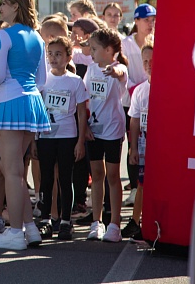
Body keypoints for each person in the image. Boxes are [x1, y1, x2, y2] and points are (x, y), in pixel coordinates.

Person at [0, 0, 50, 251]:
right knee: (17, 171)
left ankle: (14, 233)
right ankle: (30, 229)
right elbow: (42, 80)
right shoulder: (38, 38)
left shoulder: (5, 34)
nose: (0, 8)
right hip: (33, 102)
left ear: (14, 6)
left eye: (3, 3)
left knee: (11, 170)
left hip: (11, 101)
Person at [36, 36, 89, 241]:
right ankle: (46, 220)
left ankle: (66, 221)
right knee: (46, 179)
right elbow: (37, 110)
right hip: (46, 136)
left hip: (67, 136)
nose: (53, 58)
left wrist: (80, 141)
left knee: (66, 179)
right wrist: (34, 139)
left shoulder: (75, 81)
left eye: (58, 54)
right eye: (50, 54)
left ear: (68, 57)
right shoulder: (43, 80)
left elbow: (82, 113)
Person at [84, 27, 129, 243]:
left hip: (112, 129)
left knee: (112, 175)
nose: (91, 52)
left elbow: (120, 73)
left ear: (109, 50)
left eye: (95, 48)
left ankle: (114, 225)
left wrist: (114, 71)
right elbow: (85, 98)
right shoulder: (91, 69)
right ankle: (97, 222)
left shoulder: (119, 68)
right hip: (94, 129)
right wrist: (84, 126)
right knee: (96, 174)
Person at [122, 3, 156, 206]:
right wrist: (135, 88)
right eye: (146, 20)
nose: (150, 24)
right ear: (136, 21)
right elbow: (123, 70)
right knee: (134, 142)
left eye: (152, 20)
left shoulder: (157, 40)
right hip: (132, 98)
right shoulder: (126, 43)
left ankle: (150, 187)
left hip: (152, 96)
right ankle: (135, 188)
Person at [122, 36, 153, 240]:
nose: (149, 65)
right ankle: (135, 221)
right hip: (143, 145)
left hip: (160, 147)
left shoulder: (167, 87)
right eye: (145, 61)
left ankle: (152, 221)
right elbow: (133, 121)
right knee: (141, 184)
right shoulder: (140, 91)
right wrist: (133, 148)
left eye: (153, 60)